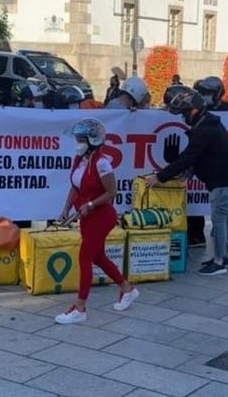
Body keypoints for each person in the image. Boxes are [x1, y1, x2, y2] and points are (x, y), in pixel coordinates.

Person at [146, 90, 228, 275]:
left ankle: (220, 261)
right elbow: (202, 156)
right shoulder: (207, 123)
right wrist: (190, 173)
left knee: (219, 219)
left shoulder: (205, 128)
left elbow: (189, 157)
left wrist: (160, 177)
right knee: (223, 218)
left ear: (193, 111)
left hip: (224, 181)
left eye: (184, 113)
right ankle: (223, 257)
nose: (184, 117)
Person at [55, 118, 138, 324]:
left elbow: (111, 192)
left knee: (85, 257)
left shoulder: (102, 163)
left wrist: (91, 205)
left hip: (101, 216)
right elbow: (75, 187)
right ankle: (127, 289)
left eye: (81, 140)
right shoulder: (79, 160)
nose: (77, 143)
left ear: (93, 140)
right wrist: (66, 208)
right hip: (86, 216)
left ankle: (80, 308)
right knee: (97, 256)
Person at [185, 76, 228, 248]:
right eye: (203, 92)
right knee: (197, 203)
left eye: (210, 93)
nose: (206, 95)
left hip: (221, 172)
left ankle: (221, 256)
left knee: (220, 217)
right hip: (208, 168)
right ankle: (199, 236)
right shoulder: (197, 111)